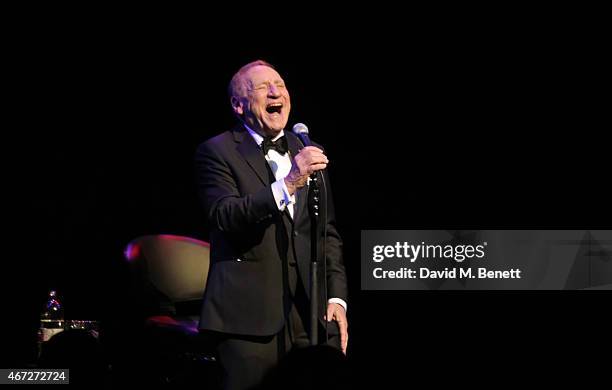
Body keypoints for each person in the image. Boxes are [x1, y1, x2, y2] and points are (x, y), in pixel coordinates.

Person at [195, 60, 348, 390]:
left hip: (310, 314)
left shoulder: (307, 150)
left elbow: (327, 231)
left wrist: (336, 298)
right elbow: (225, 216)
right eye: (262, 88)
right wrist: (291, 180)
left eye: (280, 84)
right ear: (239, 104)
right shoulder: (217, 151)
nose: (276, 92)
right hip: (246, 320)